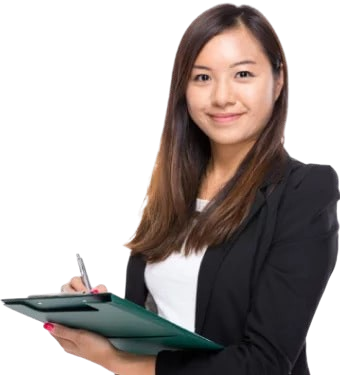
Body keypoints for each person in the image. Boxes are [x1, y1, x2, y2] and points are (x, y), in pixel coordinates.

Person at [45, 3, 339, 375]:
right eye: (202, 77)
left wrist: (117, 361)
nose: (221, 97)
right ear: (183, 89)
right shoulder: (171, 191)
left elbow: (265, 363)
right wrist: (99, 313)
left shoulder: (304, 191)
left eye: (243, 74)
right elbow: (173, 317)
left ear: (278, 81)